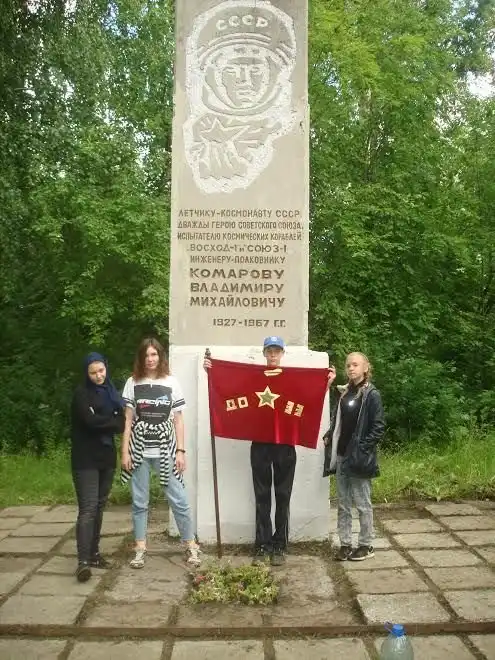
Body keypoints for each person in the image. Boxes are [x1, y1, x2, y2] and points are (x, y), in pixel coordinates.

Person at [204, 336, 320, 566]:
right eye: (270, 350)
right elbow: (231, 386)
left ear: (283, 353)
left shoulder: (293, 378)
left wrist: (325, 381)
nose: (273, 354)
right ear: (264, 353)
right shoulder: (253, 377)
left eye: (277, 350)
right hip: (260, 445)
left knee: (283, 496)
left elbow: (310, 395)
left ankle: (279, 545)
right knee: (262, 496)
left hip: (285, 445)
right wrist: (212, 371)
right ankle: (262, 544)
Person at [121, 338, 201, 568]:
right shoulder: (132, 383)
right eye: (146, 355)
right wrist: (125, 451)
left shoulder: (171, 382)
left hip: (166, 449)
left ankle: (190, 544)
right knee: (139, 502)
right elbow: (128, 420)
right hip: (139, 450)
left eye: (154, 354)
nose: (150, 359)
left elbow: (178, 420)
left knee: (179, 499)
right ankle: (140, 547)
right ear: (141, 358)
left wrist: (181, 451)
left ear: (160, 356)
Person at [323, 352, 385, 561]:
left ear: (365, 368)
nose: (351, 368)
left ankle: (366, 545)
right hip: (341, 456)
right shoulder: (344, 392)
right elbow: (339, 421)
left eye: (355, 365)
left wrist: (362, 449)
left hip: (358, 458)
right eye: (348, 365)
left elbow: (378, 427)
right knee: (343, 503)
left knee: (362, 503)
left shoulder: (372, 395)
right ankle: (345, 544)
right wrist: (330, 435)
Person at [70, 352, 125, 582]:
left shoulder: (112, 393)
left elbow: (122, 423)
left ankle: (94, 554)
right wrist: (111, 420)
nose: (98, 376)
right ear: (86, 373)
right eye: (93, 372)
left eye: (101, 370)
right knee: (88, 508)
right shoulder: (81, 394)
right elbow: (89, 422)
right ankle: (83, 562)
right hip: (85, 459)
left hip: (106, 457)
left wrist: (108, 420)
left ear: (106, 368)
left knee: (100, 507)